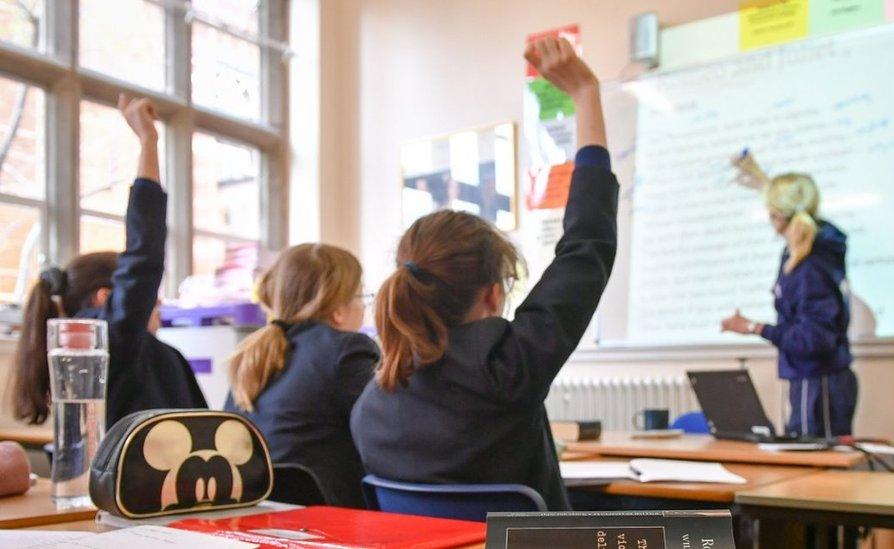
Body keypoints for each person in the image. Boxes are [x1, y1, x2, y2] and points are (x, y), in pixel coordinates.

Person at [350, 36, 618, 511]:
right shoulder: (509, 368)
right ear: (492, 295)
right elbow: (588, 243)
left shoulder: (371, 406)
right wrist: (585, 93)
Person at [12, 95, 206, 428]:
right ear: (104, 296)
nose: (156, 301)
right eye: (149, 295)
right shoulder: (102, 342)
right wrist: (149, 141)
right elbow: (143, 256)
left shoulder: (150, 353)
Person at [224, 244, 377, 508]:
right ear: (339, 310)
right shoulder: (348, 349)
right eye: (362, 297)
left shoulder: (252, 356)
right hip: (331, 519)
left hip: (260, 512)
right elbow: (380, 437)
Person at [722, 154, 856, 438]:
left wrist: (754, 328)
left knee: (815, 472)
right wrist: (760, 178)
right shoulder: (811, 251)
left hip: (818, 383)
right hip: (812, 380)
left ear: (778, 215)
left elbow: (813, 339)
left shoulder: (809, 266)